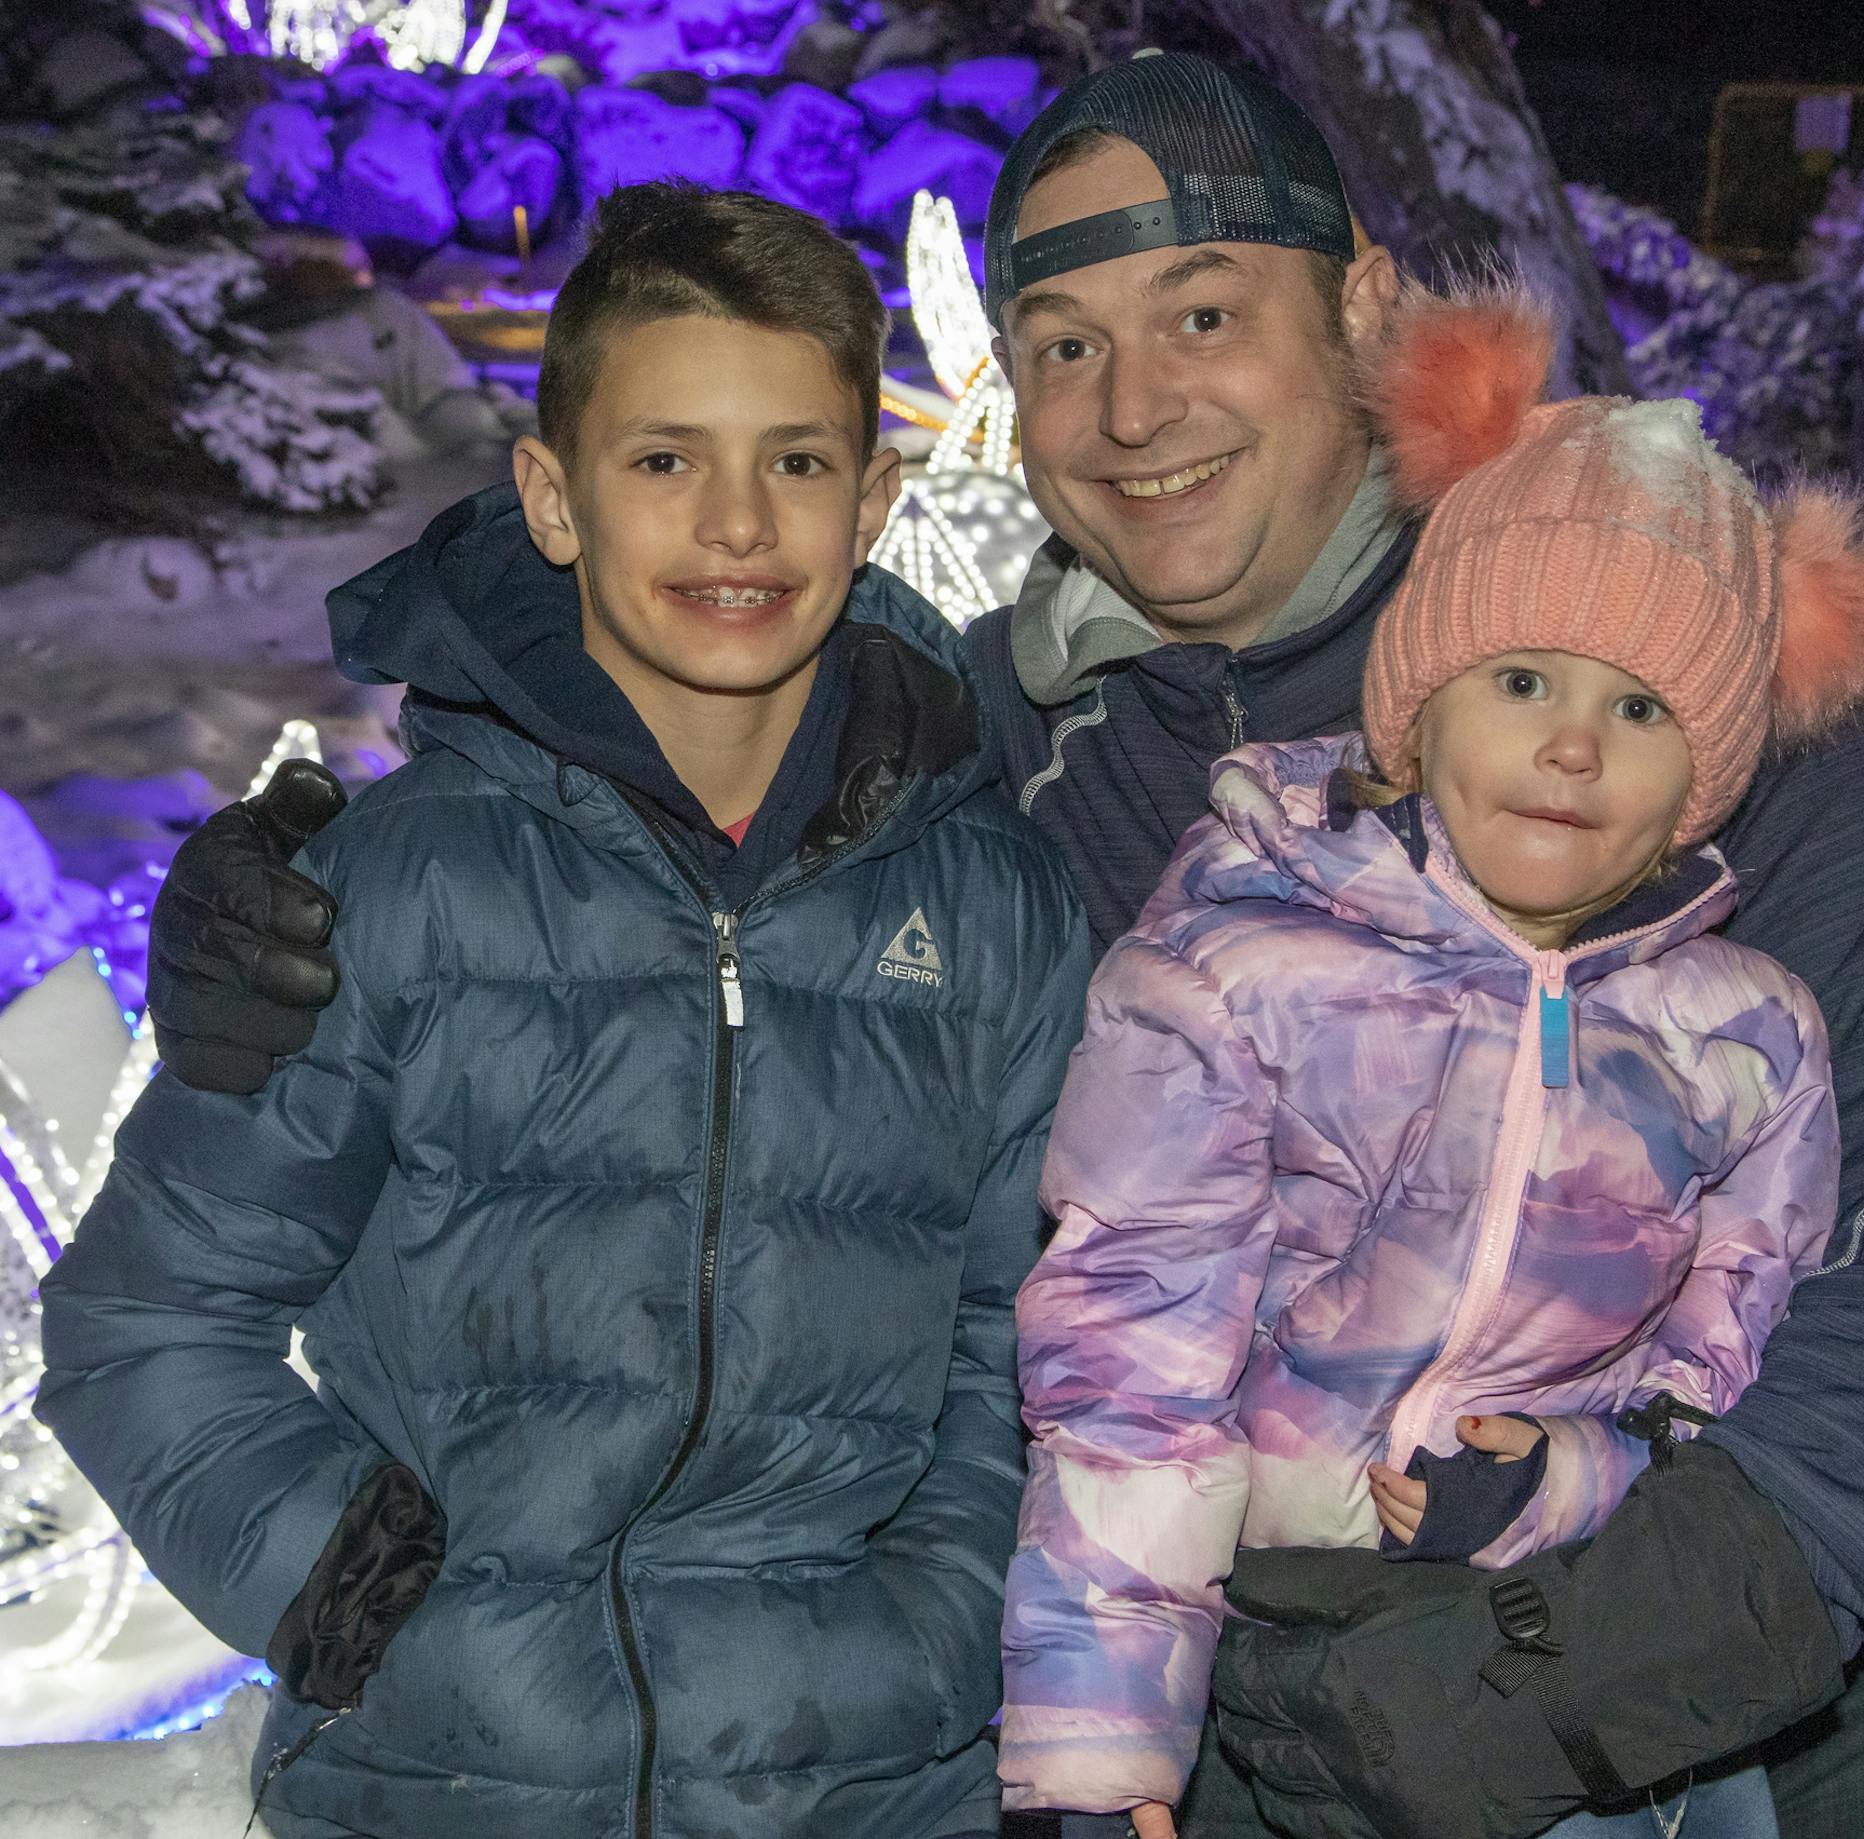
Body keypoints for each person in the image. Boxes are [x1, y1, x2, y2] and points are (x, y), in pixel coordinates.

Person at [141, 53, 1864, 1839]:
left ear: (1359, 312)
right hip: (1173, 1624)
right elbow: (651, 903)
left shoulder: (1647, 694)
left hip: (1628, 1574)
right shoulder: (989, 757)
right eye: (1062, 342)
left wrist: (1595, 1658)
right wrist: (313, 941)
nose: (1132, 405)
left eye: (1202, 316)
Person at [37, 181, 1090, 1839]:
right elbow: (147, 1320)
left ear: (875, 498)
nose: (737, 525)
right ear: (551, 495)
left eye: (797, 461)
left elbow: (1025, 1337)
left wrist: (938, 1622)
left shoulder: (990, 911)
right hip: (452, 1781)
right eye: (664, 459)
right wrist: (351, 1596)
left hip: (871, 1787)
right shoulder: (396, 892)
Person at [999, 287, 1864, 1839]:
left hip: (1584, 1649)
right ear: (1415, 717)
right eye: (1522, 683)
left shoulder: (1748, 1037)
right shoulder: (1239, 971)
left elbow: (1723, 1372)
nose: (1574, 745)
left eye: (1640, 708)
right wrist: (1094, 1755)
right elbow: (1128, 1368)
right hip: (1270, 1629)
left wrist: (1570, 1484)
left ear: (1705, 781)